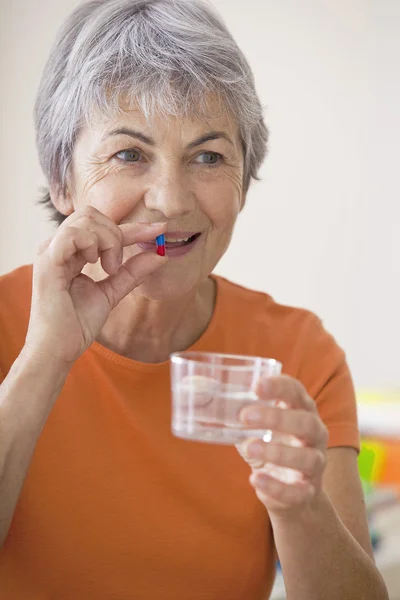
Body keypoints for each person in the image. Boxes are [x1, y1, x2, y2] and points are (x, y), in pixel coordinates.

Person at [0, 1, 388, 599]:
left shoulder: (297, 351)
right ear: (61, 178)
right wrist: (45, 358)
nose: (171, 201)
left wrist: (302, 508)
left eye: (208, 157)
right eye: (130, 154)